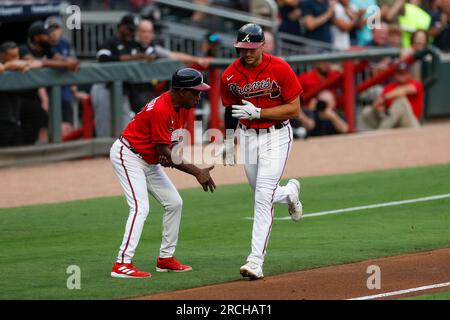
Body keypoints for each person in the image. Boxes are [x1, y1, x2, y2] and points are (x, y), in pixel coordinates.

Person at [110, 68, 216, 278]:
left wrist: (167, 156)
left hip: (148, 160)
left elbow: (167, 150)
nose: (198, 96)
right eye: (195, 92)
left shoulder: (180, 107)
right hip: (129, 155)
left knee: (174, 203)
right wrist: (196, 171)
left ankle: (166, 259)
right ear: (180, 91)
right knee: (140, 208)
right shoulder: (161, 109)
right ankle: (122, 263)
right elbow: (163, 151)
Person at [220, 23, 303, 280]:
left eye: (252, 48)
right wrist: (227, 141)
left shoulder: (280, 68)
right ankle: (290, 192)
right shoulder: (229, 75)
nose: (247, 53)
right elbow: (230, 109)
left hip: (276, 136)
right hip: (247, 138)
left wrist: (260, 112)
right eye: (242, 48)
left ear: (262, 45)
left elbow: (294, 108)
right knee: (262, 193)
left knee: (261, 200)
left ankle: (255, 261)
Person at [361, 62, 424, 129]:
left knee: (401, 100)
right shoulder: (389, 87)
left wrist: (384, 97)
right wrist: (378, 108)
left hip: (410, 123)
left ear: (409, 74)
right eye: (399, 73)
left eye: (404, 73)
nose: (402, 76)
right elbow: (380, 105)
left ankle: (382, 131)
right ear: (395, 74)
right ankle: (372, 135)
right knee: (366, 111)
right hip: (392, 122)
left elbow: (404, 90)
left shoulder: (416, 83)